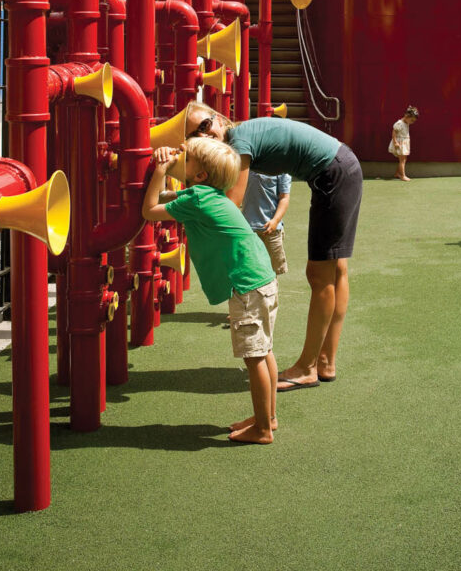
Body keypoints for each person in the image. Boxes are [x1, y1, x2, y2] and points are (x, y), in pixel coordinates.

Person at [185, 104, 363, 391]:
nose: (203, 136)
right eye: (194, 135)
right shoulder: (242, 135)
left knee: (320, 275)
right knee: (336, 269)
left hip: (334, 173)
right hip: (341, 167)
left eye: (205, 125)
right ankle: (326, 362)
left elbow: (232, 202)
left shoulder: (238, 141)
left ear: (218, 118)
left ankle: (307, 368)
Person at [142, 137, 278, 444]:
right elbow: (168, 196)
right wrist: (166, 171)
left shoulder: (198, 200)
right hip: (262, 277)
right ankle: (267, 417)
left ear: (200, 175)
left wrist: (160, 167)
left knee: (254, 355)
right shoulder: (207, 195)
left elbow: (150, 210)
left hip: (246, 284)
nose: (179, 158)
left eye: (185, 158)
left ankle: (263, 430)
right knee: (265, 350)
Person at [242, 171, 291, 276]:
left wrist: (275, 221)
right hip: (247, 230)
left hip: (271, 231)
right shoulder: (246, 164)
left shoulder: (282, 168)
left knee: (272, 272)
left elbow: (284, 197)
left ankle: (273, 292)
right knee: (249, 271)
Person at [389, 105, 419, 181]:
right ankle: (402, 176)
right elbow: (394, 132)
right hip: (400, 143)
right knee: (402, 160)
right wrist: (395, 142)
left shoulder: (406, 123)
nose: (412, 122)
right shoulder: (400, 123)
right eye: (412, 120)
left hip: (404, 143)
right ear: (406, 116)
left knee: (403, 159)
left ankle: (398, 173)